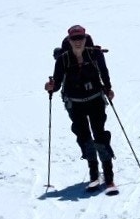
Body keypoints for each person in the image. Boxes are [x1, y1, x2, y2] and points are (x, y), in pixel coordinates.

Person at [44, 25, 116, 187]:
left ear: (85, 38)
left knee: (99, 135)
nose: (78, 41)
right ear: (69, 40)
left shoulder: (95, 54)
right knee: (84, 137)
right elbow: (56, 83)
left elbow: (104, 72)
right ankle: (93, 175)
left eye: (80, 38)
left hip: (95, 100)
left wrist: (109, 89)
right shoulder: (63, 59)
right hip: (75, 104)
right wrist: (51, 87)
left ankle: (109, 177)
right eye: (74, 39)